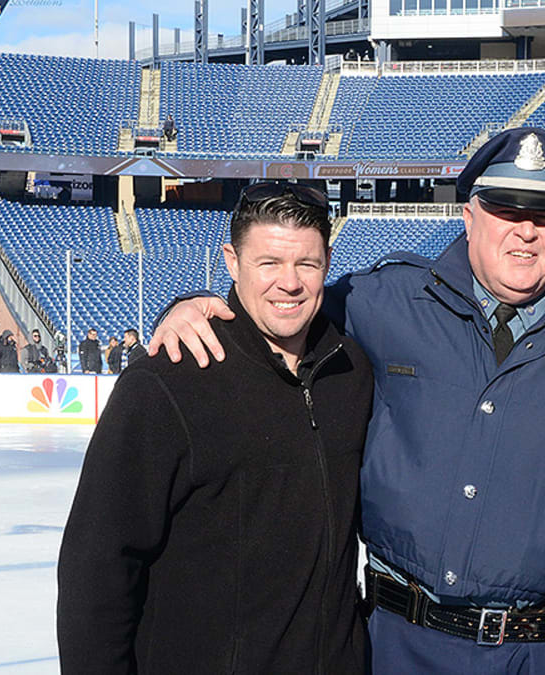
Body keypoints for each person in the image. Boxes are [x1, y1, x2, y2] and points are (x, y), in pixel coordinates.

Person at [150, 129, 545, 672]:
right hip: (402, 647)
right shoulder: (386, 301)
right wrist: (195, 306)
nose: (525, 232)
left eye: (544, 215)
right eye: (504, 210)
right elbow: (283, 305)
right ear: (468, 216)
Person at [57, 183, 373, 673]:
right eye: (267, 262)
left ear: (327, 264)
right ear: (231, 261)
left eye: (306, 265)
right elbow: (97, 569)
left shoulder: (349, 371)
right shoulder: (168, 380)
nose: (288, 283)